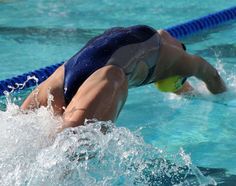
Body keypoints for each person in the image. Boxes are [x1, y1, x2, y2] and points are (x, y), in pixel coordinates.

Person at [21, 25, 227, 129]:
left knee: (17, 126)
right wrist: (225, 97)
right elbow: (213, 77)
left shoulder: (146, 38)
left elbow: (182, 88)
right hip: (107, 77)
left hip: (65, 71)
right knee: (66, 156)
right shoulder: (183, 61)